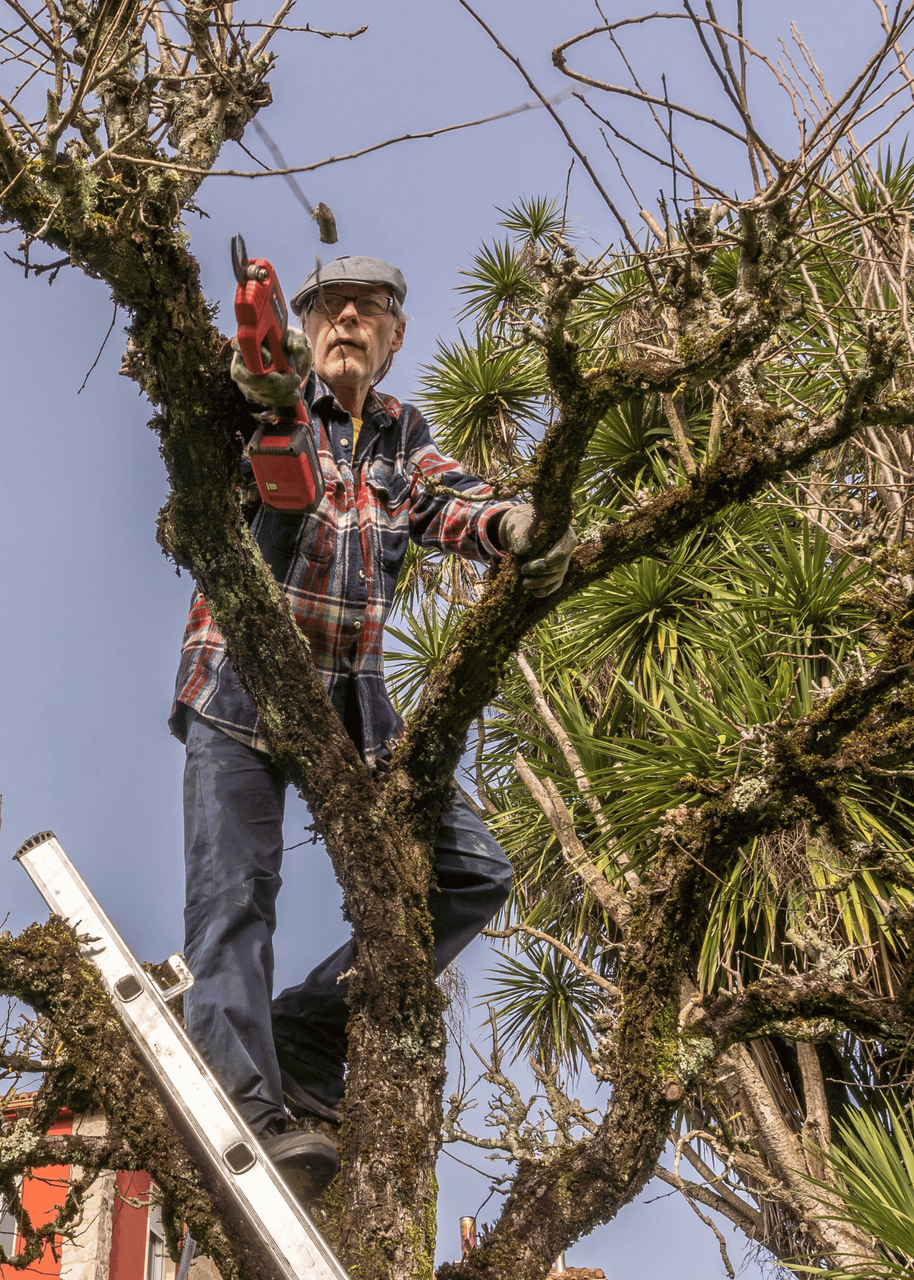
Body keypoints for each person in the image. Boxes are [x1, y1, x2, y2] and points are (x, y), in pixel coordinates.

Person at [169, 254, 577, 1196]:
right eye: (329, 307)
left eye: (371, 309)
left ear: (394, 338)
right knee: (234, 898)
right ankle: (249, 1113)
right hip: (237, 683)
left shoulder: (401, 435)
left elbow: (457, 501)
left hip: (351, 701)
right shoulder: (268, 400)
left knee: (473, 870)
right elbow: (216, 453)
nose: (348, 317)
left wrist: (520, 524)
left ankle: (303, 1039)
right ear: (302, 326)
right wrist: (262, 395)